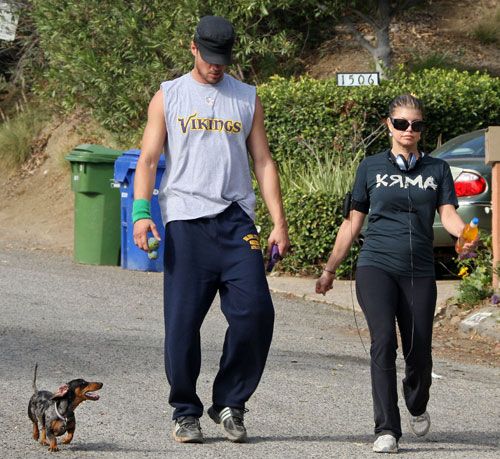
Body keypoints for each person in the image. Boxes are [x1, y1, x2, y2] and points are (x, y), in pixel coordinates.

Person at [132, 15, 289, 444]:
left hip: (237, 221)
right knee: (182, 325)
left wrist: (278, 221)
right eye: (209, 58)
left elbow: (263, 161)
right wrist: (141, 213)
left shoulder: (246, 97)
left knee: (256, 313)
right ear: (193, 48)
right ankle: (185, 411)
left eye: (223, 60)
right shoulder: (169, 96)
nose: (215, 67)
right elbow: (147, 160)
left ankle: (230, 404)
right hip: (185, 220)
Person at [315, 94, 477, 454]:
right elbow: (352, 223)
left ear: (422, 130)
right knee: (384, 340)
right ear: (389, 125)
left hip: (419, 269)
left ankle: (417, 403)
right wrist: (329, 269)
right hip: (376, 265)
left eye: (416, 125)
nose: (408, 130)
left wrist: (463, 235)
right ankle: (387, 427)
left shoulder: (437, 170)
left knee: (419, 350)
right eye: (401, 123)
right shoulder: (370, 167)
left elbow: (448, 214)